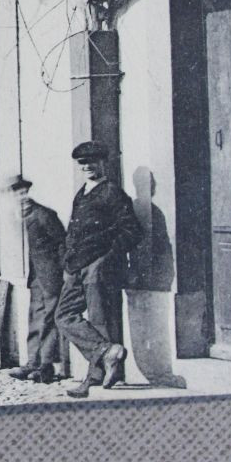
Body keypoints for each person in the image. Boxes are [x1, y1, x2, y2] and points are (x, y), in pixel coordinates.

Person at [56, 140, 143, 399]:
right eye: (83, 163)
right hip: (76, 266)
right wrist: (67, 262)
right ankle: (107, 353)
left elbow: (132, 231)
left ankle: (94, 379)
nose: (88, 167)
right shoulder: (81, 193)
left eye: (93, 162)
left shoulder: (112, 193)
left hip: (97, 268)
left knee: (99, 321)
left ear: (103, 163)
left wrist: (105, 259)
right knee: (64, 316)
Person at [7, 174, 67, 383]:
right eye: (17, 193)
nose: (21, 196)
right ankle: (32, 363)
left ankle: (46, 366)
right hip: (35, 277)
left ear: (28, 192)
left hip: (50, 276)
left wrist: (63, 271)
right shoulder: (19, 216)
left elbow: (62, 243)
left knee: (49, 319)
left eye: (23, 192)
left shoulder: (43, 215)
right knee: (35, 318)